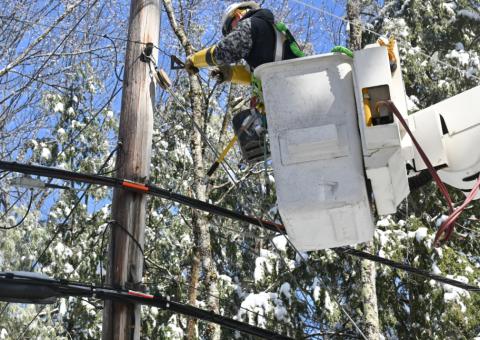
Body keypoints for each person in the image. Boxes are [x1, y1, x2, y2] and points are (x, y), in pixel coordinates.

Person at [185, 1, 304, 163]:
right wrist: (229, 74)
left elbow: (223, 52)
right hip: (293, 96)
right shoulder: (267, 34)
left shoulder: (251, 24)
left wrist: (194, 60)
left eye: (230, 29)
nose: (231, 33)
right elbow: (253, 75)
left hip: (293, 98)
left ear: (238, 14)